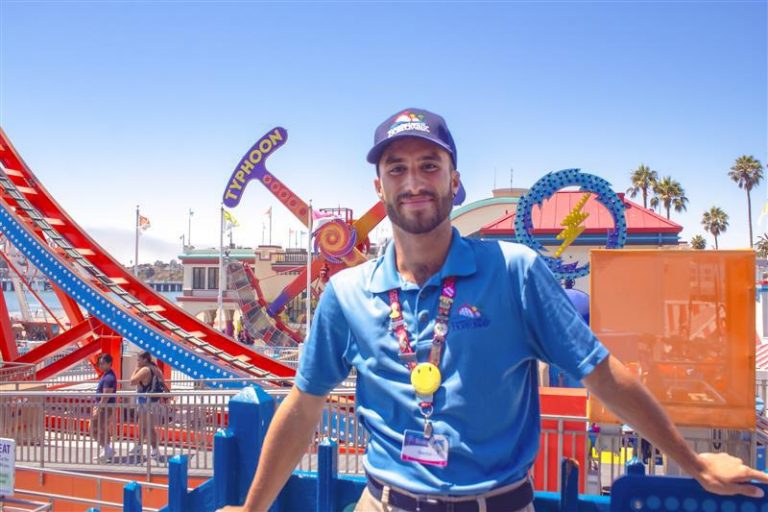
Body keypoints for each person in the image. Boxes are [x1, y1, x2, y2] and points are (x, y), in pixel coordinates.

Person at [221, 108, 768, 512]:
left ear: (455, 182)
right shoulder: (345, 292)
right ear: (378, 186)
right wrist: (250, 510)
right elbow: (303, 405)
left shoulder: (515, 272)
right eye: (397, 169)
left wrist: (694, 462)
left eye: (429, 166)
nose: (413, 182)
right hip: (384, 502)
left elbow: (602, 374)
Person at [128, 351, 166, 460]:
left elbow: (132, 381)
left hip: (145, 401)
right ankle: (139, 446)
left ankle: (155, 450)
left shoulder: (144, 369)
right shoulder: (156, 369)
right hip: (153, 401)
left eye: (139, 360)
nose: (137, 362)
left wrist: (136, 369)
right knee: (143, 424)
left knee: (149, 426)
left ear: (145, 359)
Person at [91, 353, 116, 462]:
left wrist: (99, 408)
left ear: (109, 363)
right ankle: (107, 450)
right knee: (101, 429)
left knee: (94, 429)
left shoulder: (109, 377)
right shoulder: (107, 375)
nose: (100, 366)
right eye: (99, 363)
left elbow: (106, 395)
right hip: (104, 407)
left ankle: (107, 449)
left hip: (104, 407)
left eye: (102, 363)